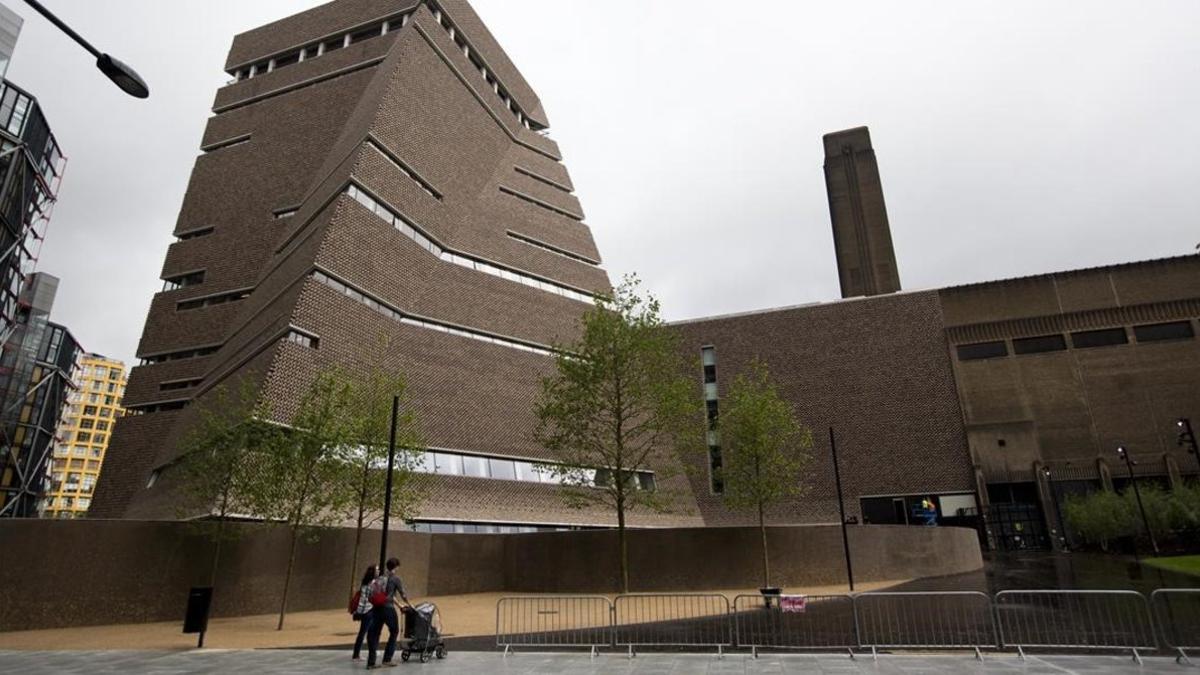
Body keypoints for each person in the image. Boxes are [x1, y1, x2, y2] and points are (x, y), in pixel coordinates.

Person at [366, 556, 411, 669]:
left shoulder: (381, 577)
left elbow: (388, 595)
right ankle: (387, 659)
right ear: (396, 567)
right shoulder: (395, 579)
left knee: (375, 633)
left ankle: (371, 662)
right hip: (388, 609)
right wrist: (409, 605)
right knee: (394, 631)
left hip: (377, 608)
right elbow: (402, 594)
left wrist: (398, 605)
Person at [351, 564, 377, 661]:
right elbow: (373, 597)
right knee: (365, 632)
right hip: (369, 610)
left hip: (363, 610)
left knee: (367, 632)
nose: (378, 571)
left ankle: (370, 651)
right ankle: (356, 654)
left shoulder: (364, 583)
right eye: (377, 569)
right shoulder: (373, 584)